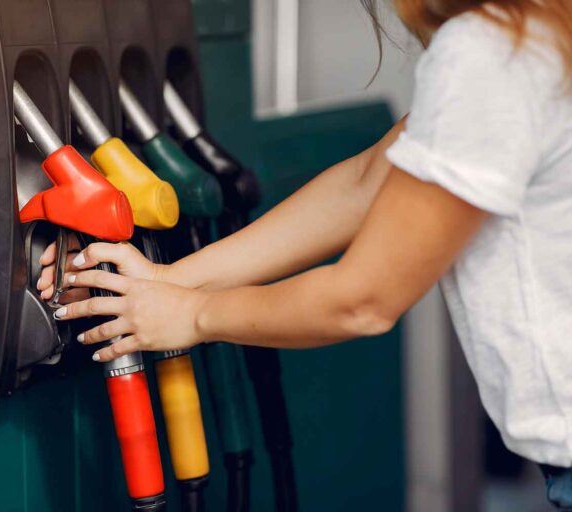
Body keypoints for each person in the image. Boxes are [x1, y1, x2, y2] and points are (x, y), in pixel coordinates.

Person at [36, 0, 572, 508]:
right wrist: (169, 281)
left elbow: (362, 300)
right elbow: (366, 183)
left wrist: (192, 315)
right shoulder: (542, 30)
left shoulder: (491, 51)